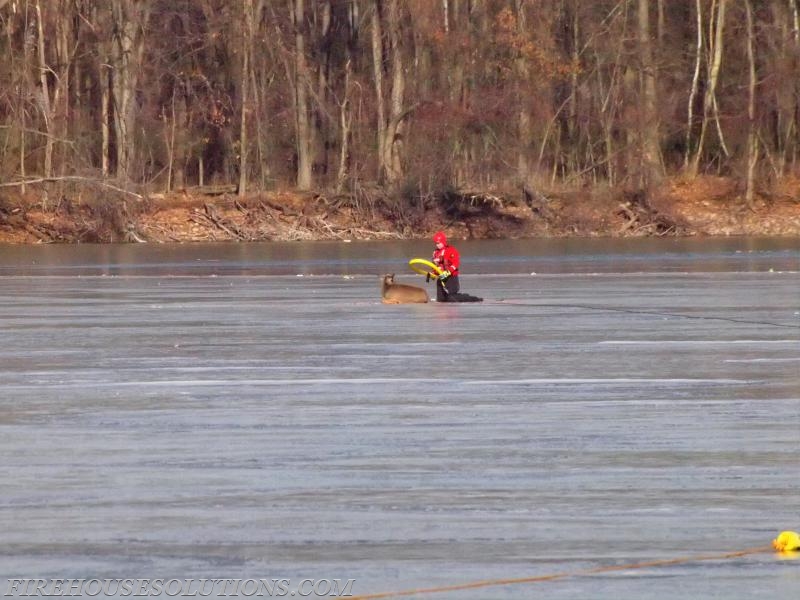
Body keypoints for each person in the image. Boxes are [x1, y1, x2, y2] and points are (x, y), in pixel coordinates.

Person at [431, 231, 482, 302]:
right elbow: (434, 266)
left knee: (451, 298)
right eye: (436, 243)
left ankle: (472, 298)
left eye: (439, 243)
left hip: (451, 278)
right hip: (441, 277)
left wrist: (448, 272)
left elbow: (456, 263)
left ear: (443, 242)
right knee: (441, 300)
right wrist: (433, 273)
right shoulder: (435, 253)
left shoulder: (450, 250)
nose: (437, 245)